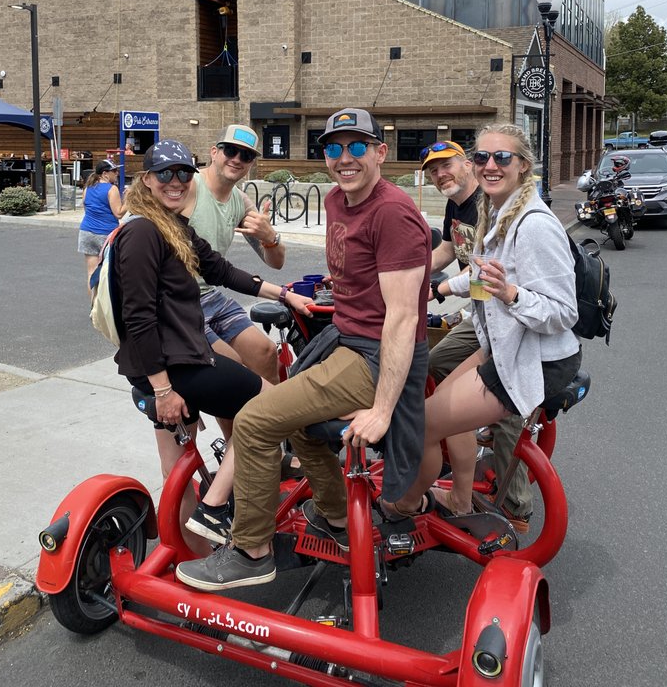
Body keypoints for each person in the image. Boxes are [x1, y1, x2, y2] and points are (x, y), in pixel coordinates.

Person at [176, 107, 433, 590]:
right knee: (303, 428)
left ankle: (251, 551)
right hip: (347, 340)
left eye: (357, 147)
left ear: (380, 152)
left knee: (254, 420)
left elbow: (402, 319)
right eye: (334, 148)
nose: (344, 158)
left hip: (376, 356)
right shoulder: (338, 200)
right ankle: (338, 520)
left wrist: (381, 408)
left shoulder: (393, 212)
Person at [111, 139, 312, 553]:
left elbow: (220, 269)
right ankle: (215, 508)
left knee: (177, 462)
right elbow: (139, 318)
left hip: (163, 362)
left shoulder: (171, 225)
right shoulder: (143, 232)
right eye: (164, 174)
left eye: (183, 173)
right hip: (174, 364)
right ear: (146, 179)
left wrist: (282, 294)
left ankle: (191, 557)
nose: (176, 181)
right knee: (270, 408)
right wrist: (164, 389)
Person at [386, 123, 581, 520]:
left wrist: (512, 295)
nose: (490, 165)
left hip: (533, 360)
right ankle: (459, 497)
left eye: (502, 157)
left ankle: (403, 506)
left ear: (523, 165)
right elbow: (478, 273)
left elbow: (565, 312)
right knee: (438, 398)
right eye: (483, 157)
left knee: (419, 425)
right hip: (504, 345)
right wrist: (435, 289)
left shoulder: (534, 225)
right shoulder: (498, 212)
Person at [423, 140, 533, 532]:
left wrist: (445, 289)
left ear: (466, 164)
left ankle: (516, 505)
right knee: (435, 363)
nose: (440, 175)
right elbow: (449, 250)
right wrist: (410, 273)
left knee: (501, 404)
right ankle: (457, 438)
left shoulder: (489, 205)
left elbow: (496, 277)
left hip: (506, 316)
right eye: (433, 171)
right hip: (482, 312)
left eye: (446, 165)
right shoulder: (457, 205)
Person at [187, 124, 285, 386]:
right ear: (214, 152)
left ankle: (270, 424)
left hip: (209, 295)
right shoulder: (187, 186)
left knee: (266, 354)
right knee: (231, 370)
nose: (237, 159)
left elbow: (275, 263)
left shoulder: (241, 202)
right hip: (177, 302)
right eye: (230, 150)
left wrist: (270, 238)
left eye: (246, 155)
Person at [77, 159, 126, 292]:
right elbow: (119, 213)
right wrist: (130, 200)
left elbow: (86, 208)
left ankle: (93, 308)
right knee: (109, 273)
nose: (117, 173)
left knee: (91, 272)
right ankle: (105, 308)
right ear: (105, 174)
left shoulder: (88, 188)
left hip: (86, 232)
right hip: (106, 234)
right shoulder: (112, 189)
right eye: (114, 171)